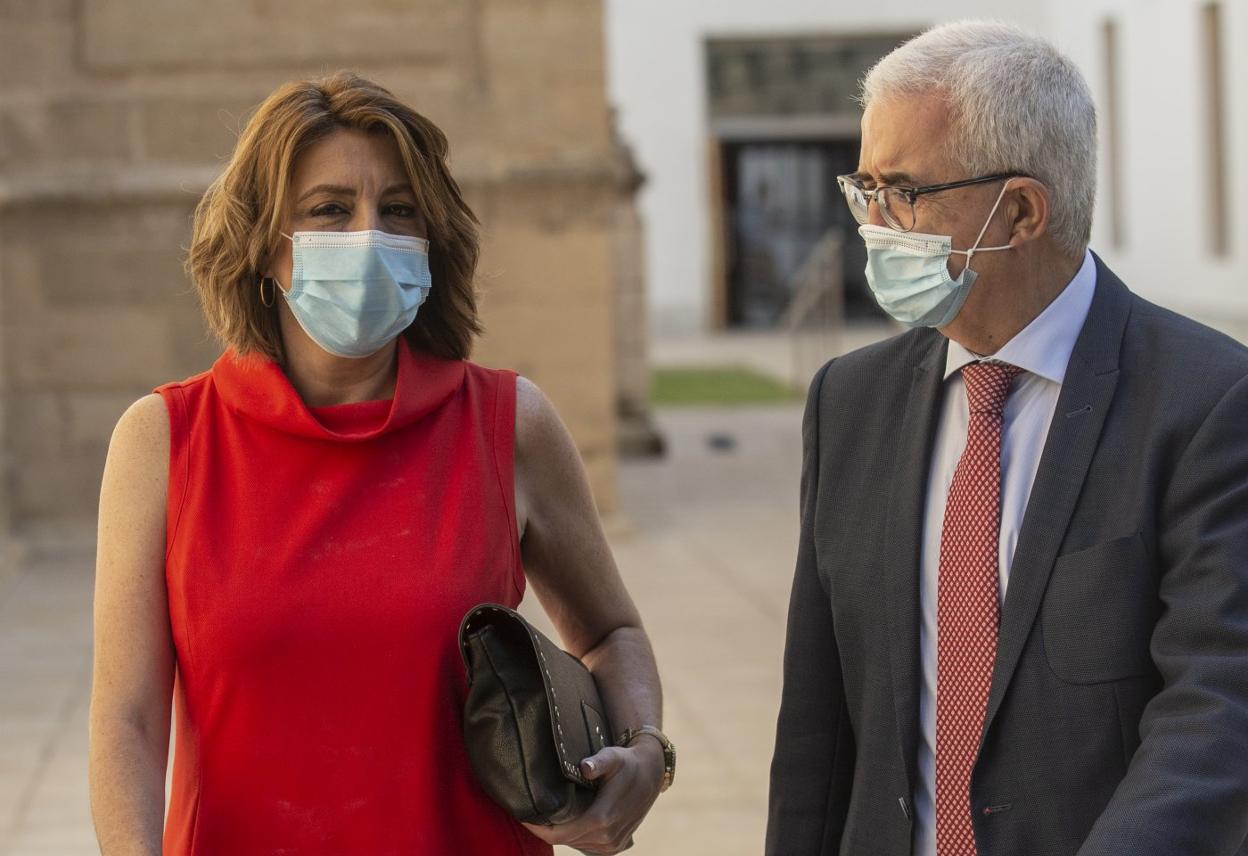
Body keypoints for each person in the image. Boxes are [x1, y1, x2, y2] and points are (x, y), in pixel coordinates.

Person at [88, 71, 672, 856]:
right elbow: (126, 718)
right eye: (330, 209)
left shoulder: (509, 423)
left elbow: (611, 629)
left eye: (398, 210)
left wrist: (642, 748)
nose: (370, 235)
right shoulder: (164, 439)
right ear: (265, 245)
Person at [767, 21, 1248, 856]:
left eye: (904, 191)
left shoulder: (1209, 403)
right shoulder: (850, 401)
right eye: (864, 187)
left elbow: (1218, 707)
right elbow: (820, 721)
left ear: (1021, 211)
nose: (874, 224)